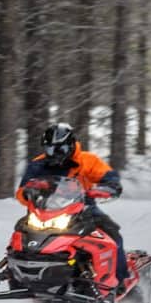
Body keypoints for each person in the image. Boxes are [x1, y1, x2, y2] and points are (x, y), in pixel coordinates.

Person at [16, 123, 130, 291]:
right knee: (20, 235)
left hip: (82, 208)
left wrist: (108, 187)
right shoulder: (37, 165)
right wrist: (27, 193)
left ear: (70, 146)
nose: (54, 155)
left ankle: (118, 280)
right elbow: (21, 190)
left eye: (59, 150)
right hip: (44, 211)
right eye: (50, 150)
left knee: (112, 235)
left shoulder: (88, 160)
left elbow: (108, 176)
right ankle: (16, 274)